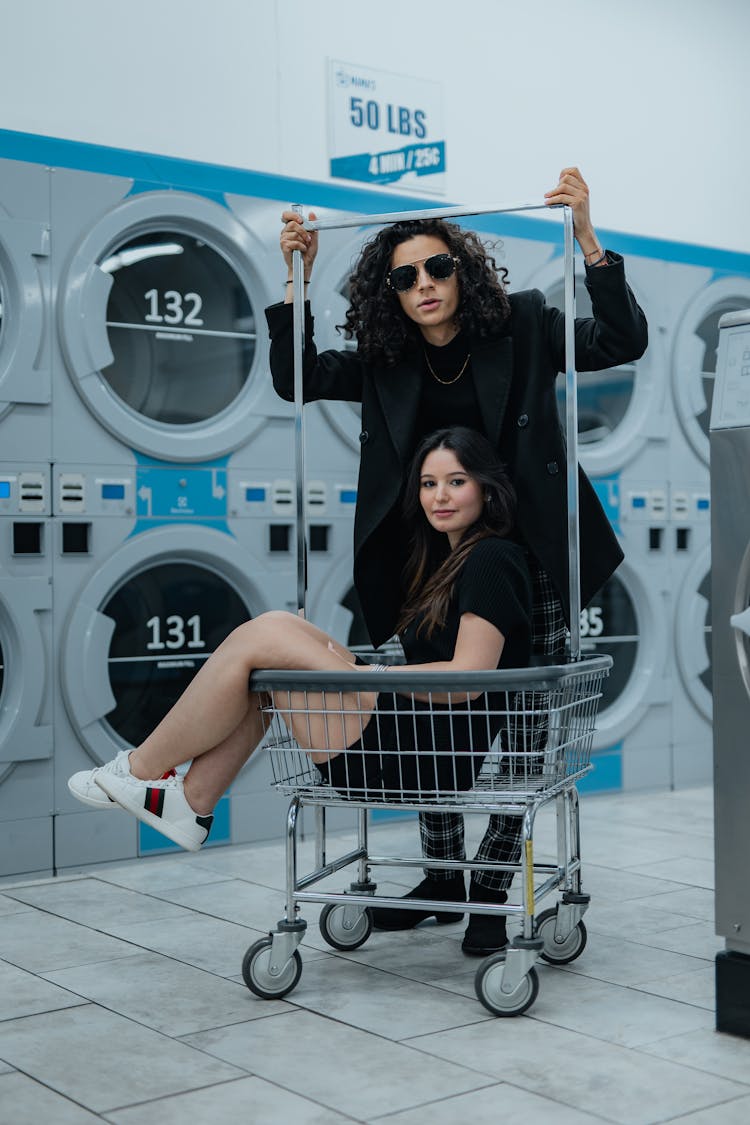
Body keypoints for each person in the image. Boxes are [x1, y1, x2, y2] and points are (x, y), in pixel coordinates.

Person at [267, 167, 648, 953]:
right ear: (392, 294)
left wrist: (587, 238)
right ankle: (444, 875)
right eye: (404, 277)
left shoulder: (528, 323)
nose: (424, 284)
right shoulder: (385, 356)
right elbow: (293, 378)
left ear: (463, 270)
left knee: (525, 717)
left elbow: (622, 340)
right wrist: (295, 276)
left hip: (526, 546)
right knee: (431, 717)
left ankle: (494, 877)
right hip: (423, 556)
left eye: (437, 267)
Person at [67, 427, 532, 957]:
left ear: (487, 489)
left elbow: (469, 679)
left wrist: (367, 678)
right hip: (406, 736)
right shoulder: (444, 562)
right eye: (428, 483)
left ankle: (142, 772)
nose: (440, 496)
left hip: (424, 755)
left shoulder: (492, 559)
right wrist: (361, 674)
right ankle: (189, 801)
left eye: (456, 481)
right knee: (272, 639)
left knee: (267, 635)